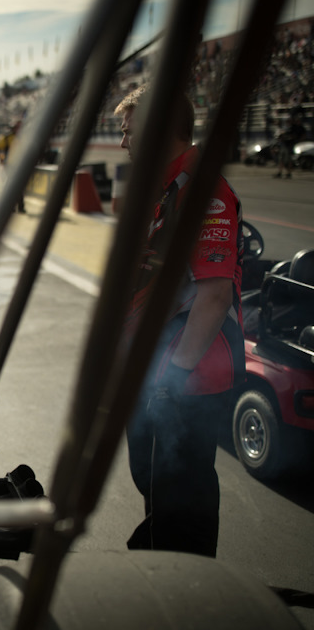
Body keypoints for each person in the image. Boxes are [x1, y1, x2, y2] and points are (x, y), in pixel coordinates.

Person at [115, 86, 244, 558]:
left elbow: (213, 295)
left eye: (129, 131)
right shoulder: (165, 187)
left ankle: (185, 591)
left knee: (181, 499)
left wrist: (174, 379)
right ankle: (163, 576)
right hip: (153, 368)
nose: (124, 142)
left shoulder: (200, 189)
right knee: (154, 482)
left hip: (185, 377)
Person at [0, 122, 25, 213]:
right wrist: (0, 158)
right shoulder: (7, 137)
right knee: (13, 185)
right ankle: (14, 206)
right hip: (10, 165)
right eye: (17, 127)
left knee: (18, 186)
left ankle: (19, 207)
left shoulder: (24, 137)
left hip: (20, 165)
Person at [273, 108, 305, 179]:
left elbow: (295, 136)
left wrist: (290, 137)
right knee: (281, 159)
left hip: (290, 145)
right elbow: (282, 134)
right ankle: (280, 172)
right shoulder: (287, 127)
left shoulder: (296, 127)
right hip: (284, 144)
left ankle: (288, 173)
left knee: (289, 160)